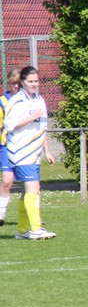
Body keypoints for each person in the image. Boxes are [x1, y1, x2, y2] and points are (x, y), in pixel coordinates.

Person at [3, 66, 57, 239]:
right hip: (21, 151)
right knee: (33, 189)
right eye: (30, 81)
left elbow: (43, 128)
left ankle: (22, 230)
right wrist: (31, 118)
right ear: (22, 82)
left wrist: (47, 151)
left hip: (34, 153)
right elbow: (9, 125)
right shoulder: (17, 101)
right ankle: (35, 229)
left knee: (27, 191)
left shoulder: (40, 100)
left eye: (36, 81)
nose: (34, 84)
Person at [0, 68, 22, 225]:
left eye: (19, 84)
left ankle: (33, 217)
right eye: (14, 83)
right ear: (9, 83)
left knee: (30, 183)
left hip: (24, 146)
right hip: (6, 147)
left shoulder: (27, 100)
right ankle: (1, 214)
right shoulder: (2, 101)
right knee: (7, 180)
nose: (16, 87)